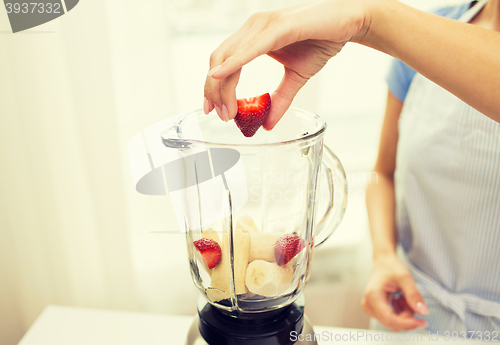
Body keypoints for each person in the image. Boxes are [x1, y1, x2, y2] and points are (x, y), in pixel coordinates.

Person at [203, 0, 500, 334]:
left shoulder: (417, 35)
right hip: (410, 307)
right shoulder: (433, 32)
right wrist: (385, 257)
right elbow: (383, 174)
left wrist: (368, 17)